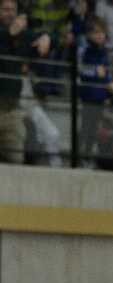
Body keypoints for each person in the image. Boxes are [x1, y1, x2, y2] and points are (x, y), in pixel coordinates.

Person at [0, 0, 52, 164]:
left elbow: (54, 40)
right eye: (5, 9)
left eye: (13, 10)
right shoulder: (8, 34)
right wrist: (9, 34)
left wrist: (46, 37)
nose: (9, 13)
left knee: (16, 160)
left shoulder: (22, 35)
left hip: (11, 110)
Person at [78, 15, 111, 160]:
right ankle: (79, 153)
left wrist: (108, 83)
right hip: (88, 94)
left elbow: (106, 72)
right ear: (88, 35)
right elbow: (80, 69)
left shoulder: (104, 52)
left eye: (102, 32)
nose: (100, 35)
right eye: (96, 32)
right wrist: (95, 72)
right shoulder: (85, 50)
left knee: (94, 127)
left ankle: (88, 154)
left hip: (100, 95)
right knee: (86, 126)